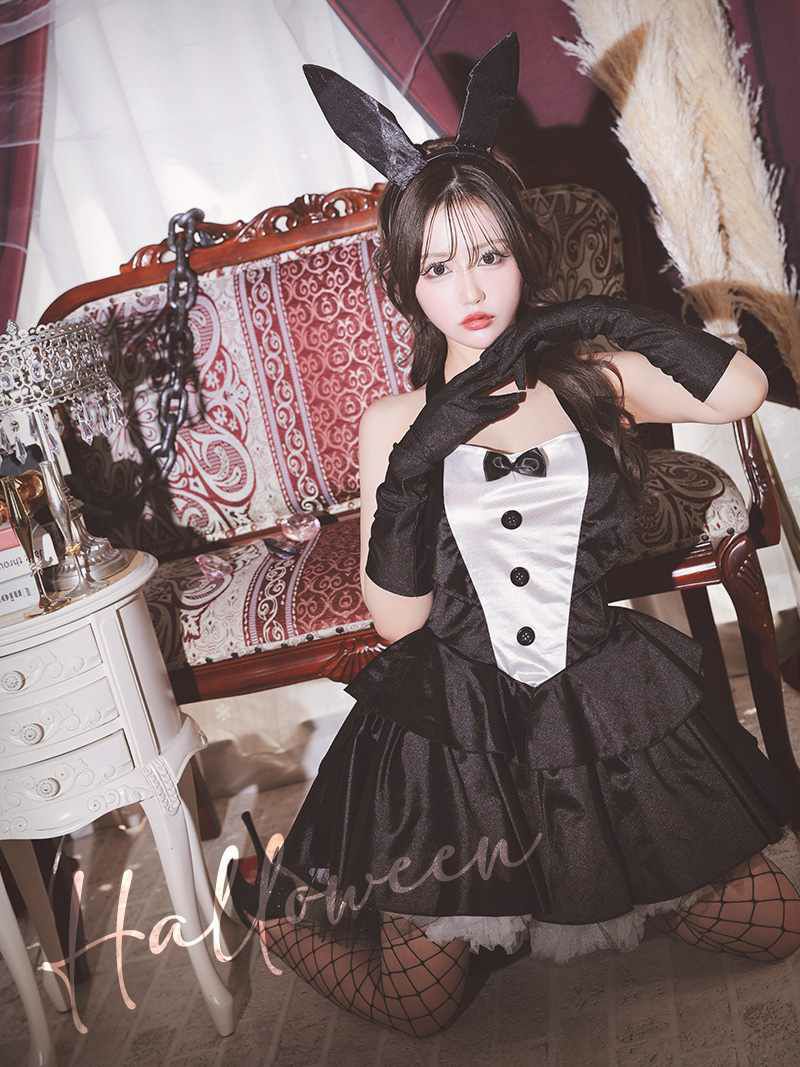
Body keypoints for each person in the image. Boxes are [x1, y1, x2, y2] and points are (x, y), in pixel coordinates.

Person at [224, 33, 800, 1039]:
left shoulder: (593, 377)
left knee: (775, 923)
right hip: (456, 726)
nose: (472, 289)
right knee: (418, 1004)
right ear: (408, 283)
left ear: (521, 255)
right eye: (440, 266)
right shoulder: (392, 423)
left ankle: (594, 884)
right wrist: (421, 455)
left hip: (599, 695)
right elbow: (397, 621)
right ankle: (266, 903)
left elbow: (743, 389)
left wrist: (600, 316)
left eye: (490, 255)